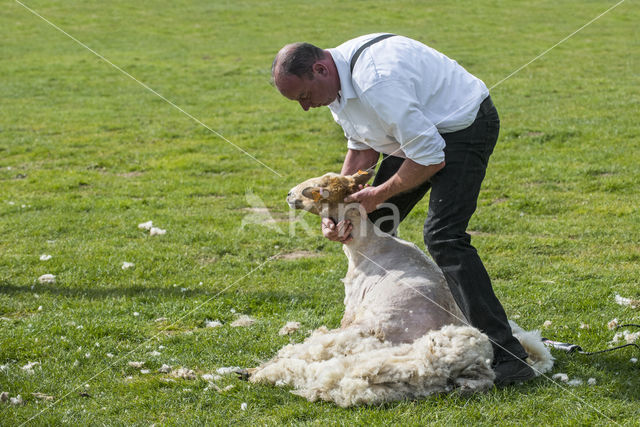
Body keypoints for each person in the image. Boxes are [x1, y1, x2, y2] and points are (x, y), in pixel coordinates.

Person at [271, 33, 535, 386]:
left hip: (463, 128)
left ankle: (509, 356)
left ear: (320, 69)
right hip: (413, 136)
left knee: (444, 237)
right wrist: (338, 213)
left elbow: (429, 156)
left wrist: (379, 193)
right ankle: (387, 322)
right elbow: (363, 146)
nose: (306, 107)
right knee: (370, 223)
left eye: (304, 96)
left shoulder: (377, 81)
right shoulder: (335, 85)